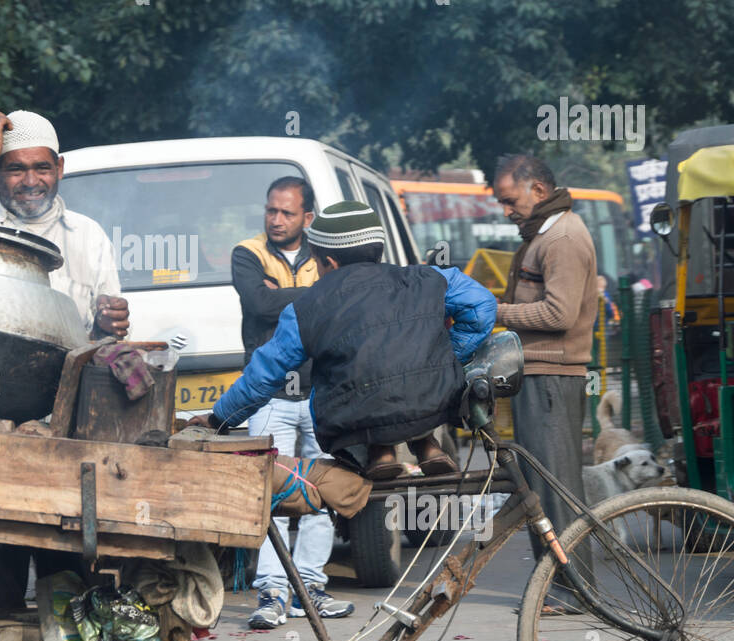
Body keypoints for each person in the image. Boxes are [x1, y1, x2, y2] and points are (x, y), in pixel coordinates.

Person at [193, 201, 496, 546]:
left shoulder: (305, 308)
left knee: (366, 394)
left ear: (329, 262)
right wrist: (446, 357)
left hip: (356, 422)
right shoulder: (429, 278)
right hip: (432, 403)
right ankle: (427, 447)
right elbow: (482, 306)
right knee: (409, 383)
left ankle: (380, 454)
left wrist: (220, 418)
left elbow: (263, 376)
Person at [231, 177, 353, 628]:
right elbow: (259, 303)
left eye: (286, 213)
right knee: (273, 494)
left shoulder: (325, 251)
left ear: (308, 218)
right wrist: (319, 295)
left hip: (320, 392)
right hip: (269, 394)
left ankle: (309, 587)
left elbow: (286, 302)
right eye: (271, 211)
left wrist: (282, 296)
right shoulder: (247, 252)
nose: (276, 220)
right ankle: (273, 593)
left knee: (322, 489)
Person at [491, 154, 597, 605]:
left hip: (553, 374)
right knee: (540, 487)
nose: (506, 209)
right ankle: (553, 589)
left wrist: (492, 313)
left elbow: (559, 313)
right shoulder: (542, 234)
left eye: (510, 199)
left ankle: (574, 591)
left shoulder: (564, 237)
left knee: (556, 490)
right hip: (534, 373)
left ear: (536, 190)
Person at [0, 109, 129, 339]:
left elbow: (108, 332)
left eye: (42, 168)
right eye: (17, 169)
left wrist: (108, 322)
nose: (31, 182)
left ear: (59, 168)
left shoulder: (88, 234)